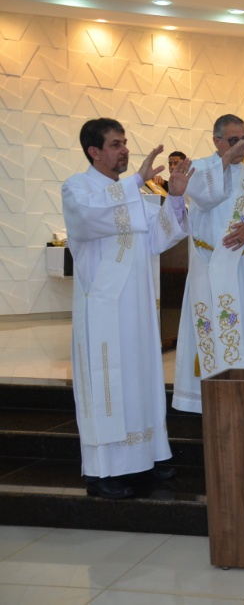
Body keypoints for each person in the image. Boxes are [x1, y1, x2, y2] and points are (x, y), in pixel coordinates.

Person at [62, 118, 191, 499]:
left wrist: (178, 198)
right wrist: (135, 184)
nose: (124, 150)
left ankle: (144, 459)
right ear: (94, 152)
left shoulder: (132, 193)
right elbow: (89, 220)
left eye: (124, 143)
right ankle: (104, 472)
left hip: (136, 308)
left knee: (141, 381)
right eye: (116, 144)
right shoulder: (77, 187)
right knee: (108, 385)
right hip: (103, 308)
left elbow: (158, 237)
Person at [172, 114, 244, 413]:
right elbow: (207, 197)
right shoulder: (199, 170)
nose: (241, 146)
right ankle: (199, 400)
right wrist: (228, 158)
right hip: (207, 265)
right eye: (234, 140)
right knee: (206, 330)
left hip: (239, 268)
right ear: (216, 140)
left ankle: (241, 392)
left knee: (238, 331)